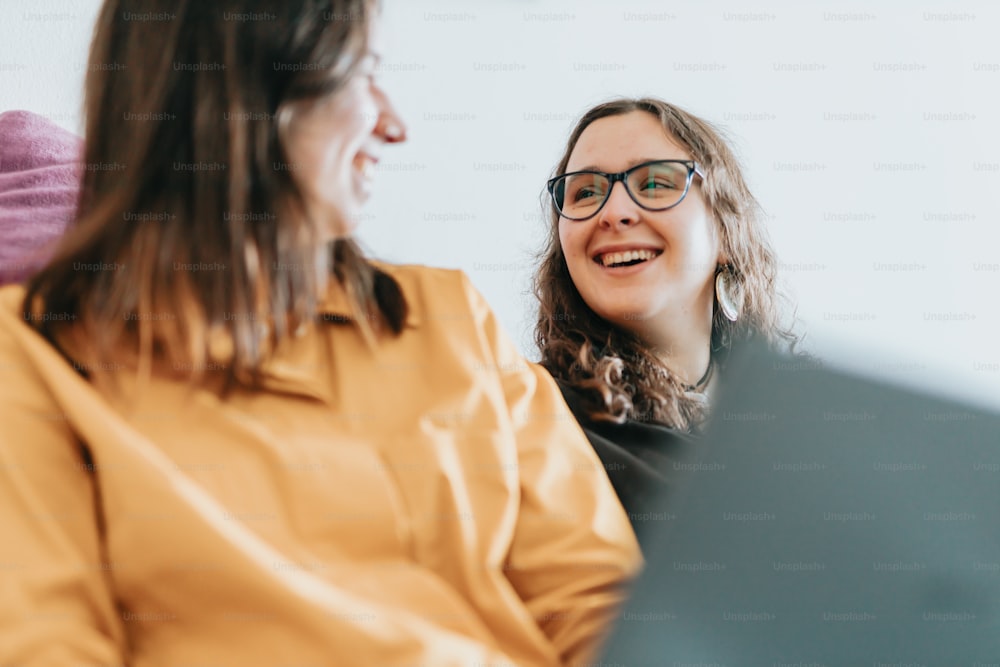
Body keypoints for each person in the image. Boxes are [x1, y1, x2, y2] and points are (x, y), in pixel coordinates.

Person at [0, 2, 640, 665]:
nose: (394, 126)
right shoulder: (31, 359)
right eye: (363, 75)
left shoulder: (449, 316)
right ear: (243, 93)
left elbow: (604, 607)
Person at [534, 97, 798, 539]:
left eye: (655, 183)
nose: (613, 213)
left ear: (726, 231)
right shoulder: (529, 417)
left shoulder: (802, 430)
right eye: (585, 192)